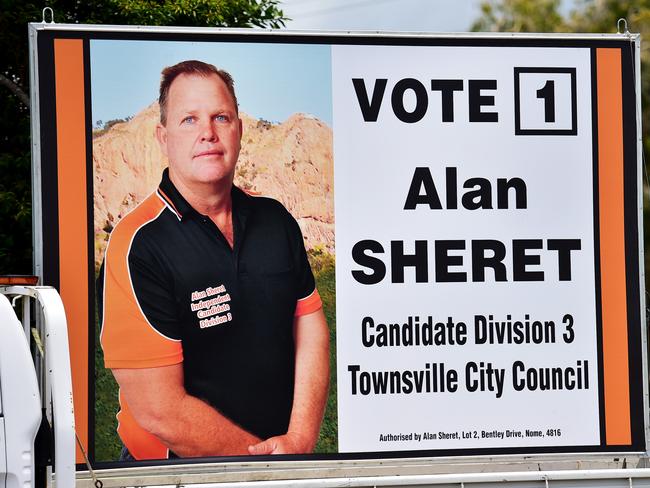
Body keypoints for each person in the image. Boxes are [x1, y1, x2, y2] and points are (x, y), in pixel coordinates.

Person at [98, 60, 330, 461]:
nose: (207, 133)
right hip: (172, 476)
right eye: (189, 119)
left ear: (238, 129)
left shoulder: (276, 220)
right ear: (163, 136)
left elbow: (309, 327)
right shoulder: (137, 244)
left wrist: (300, 442)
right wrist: (267, 467)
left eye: (220, 117)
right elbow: (161, 412)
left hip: (283, 465)